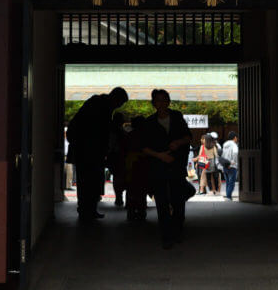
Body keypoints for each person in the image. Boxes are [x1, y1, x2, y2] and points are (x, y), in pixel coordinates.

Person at [66, 87, 128, 221]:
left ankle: (87, 209)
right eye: (120, 103)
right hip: (88, 150)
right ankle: (86, 210)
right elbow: (98, 130)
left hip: (88, 149)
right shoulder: (102, 106)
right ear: (116, 98)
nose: (119, 106)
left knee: (87, 181)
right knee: (88, 181)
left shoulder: (99, 103)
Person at [142, 89, 192, 248]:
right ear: (153, 103)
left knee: (178, 201)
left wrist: (178, 143)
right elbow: (143, 147)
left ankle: (177, 231)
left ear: (169, 101)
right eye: (158, 100)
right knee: (161, 202)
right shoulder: (149, 122)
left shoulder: (177, 117)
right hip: (158, 167)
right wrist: (159, 156)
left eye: (164, 100)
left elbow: (188, 137)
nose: (161, 103)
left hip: (176, 166)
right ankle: (166, 235)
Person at [221, 131, 239, 200]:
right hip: (232, 166)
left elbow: (222, 155)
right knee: (231, 183)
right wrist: (233, 161)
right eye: (236, 138)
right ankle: (228, 196)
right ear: (235, 138)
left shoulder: (225, 145)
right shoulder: (234, 145)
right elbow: (235, 152)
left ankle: (228, 196)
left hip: (225, 166)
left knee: (228, 182)